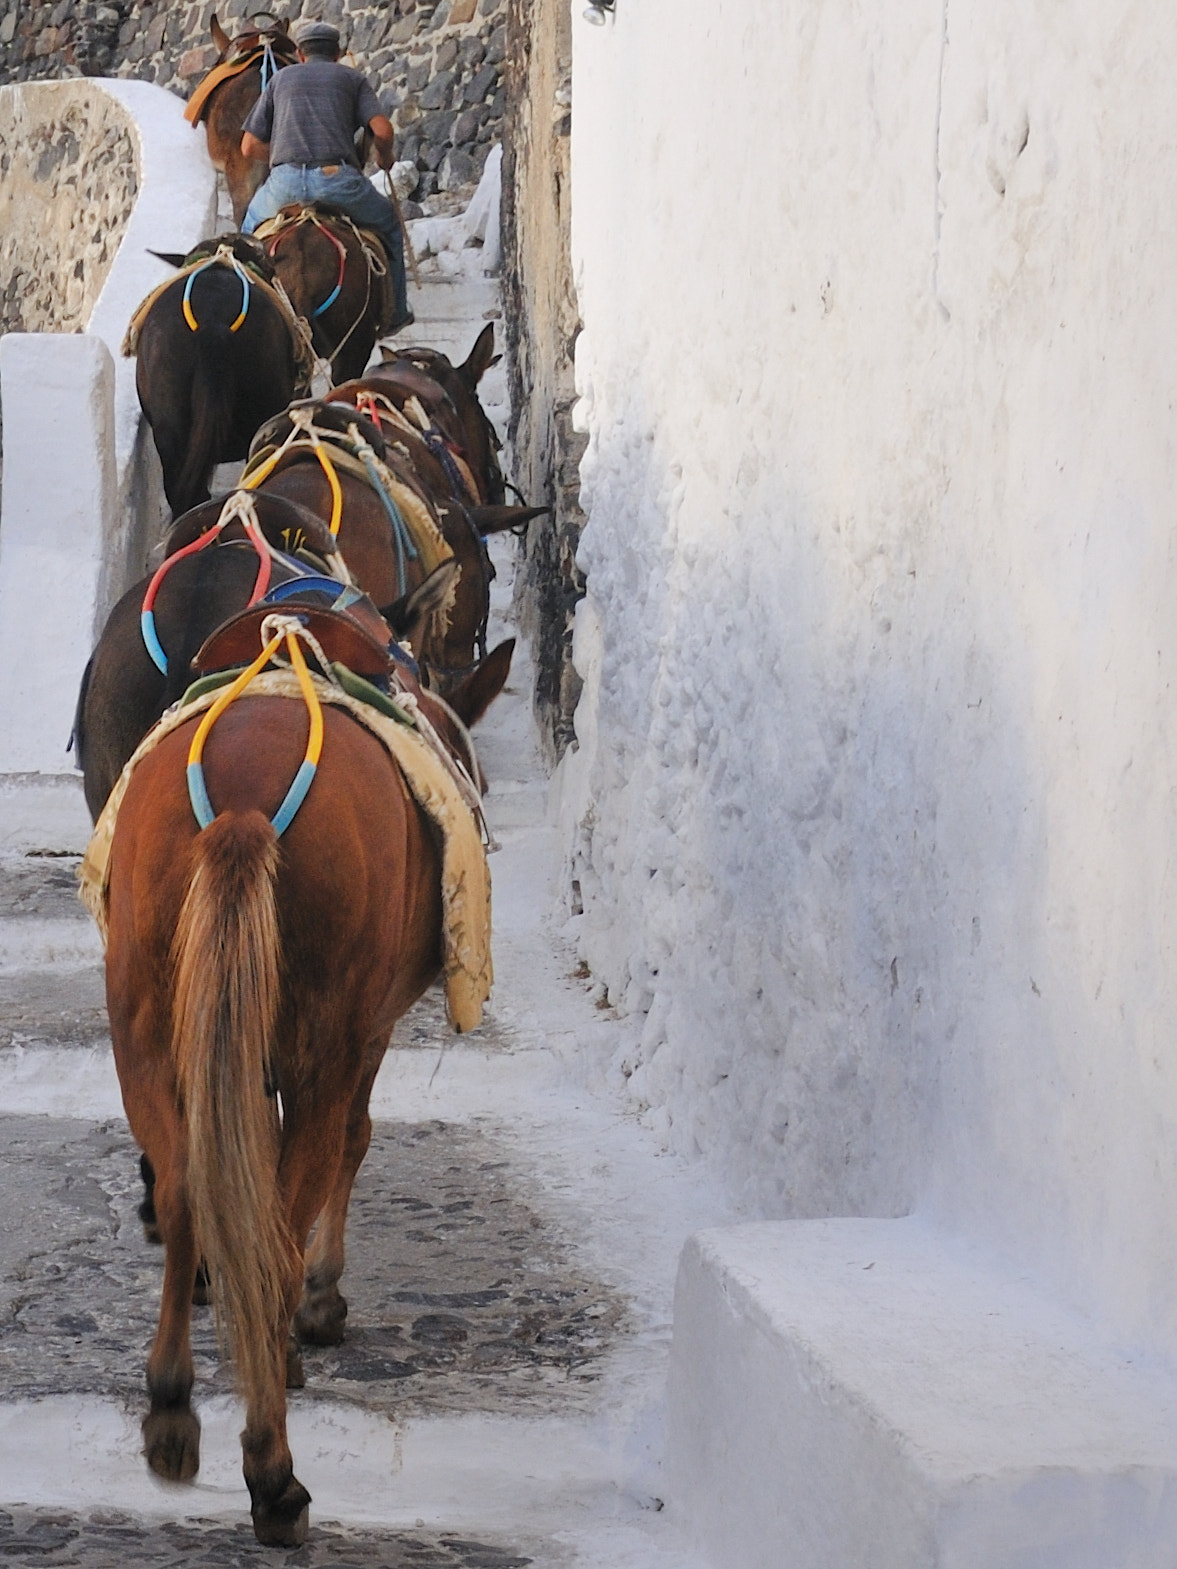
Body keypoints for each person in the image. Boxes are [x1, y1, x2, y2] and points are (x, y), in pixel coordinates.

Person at [239, 18, 411, 330]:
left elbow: (249, 146)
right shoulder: (351, 79)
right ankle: (396, 313)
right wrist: (384, 155)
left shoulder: (280, 80)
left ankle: (245, 309)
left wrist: (280, 156)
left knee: (248, 233)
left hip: (285, 184)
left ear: (301, 54)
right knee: (389, 221)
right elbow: (383, 131)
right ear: (337, 54)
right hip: (338, 181)